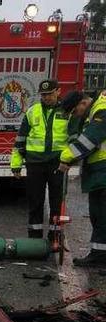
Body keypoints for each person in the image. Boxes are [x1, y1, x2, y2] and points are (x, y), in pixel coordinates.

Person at [10, 79, 71, 243]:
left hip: (57, 163)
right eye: (43, 95)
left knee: (56, 202)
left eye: (49, 94)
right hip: (35, 163)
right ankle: (35, 239)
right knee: (35, 202)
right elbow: (20, 139)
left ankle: (55, 237)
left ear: (58, 91)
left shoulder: (67, 111)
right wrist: (16, 163)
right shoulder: (32, 111)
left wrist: (70, 158)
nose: (46, 98)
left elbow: (73, 137)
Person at [60, 91, 106, 267]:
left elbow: (90, 140)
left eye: (74, 112)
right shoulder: (94, 111)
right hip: (99, 172)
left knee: (102, 215)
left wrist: (66, 157)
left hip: (103, 171)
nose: (75, 116)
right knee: (98, 215)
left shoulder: (102, 109)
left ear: (83, 103)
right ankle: (99, 256)